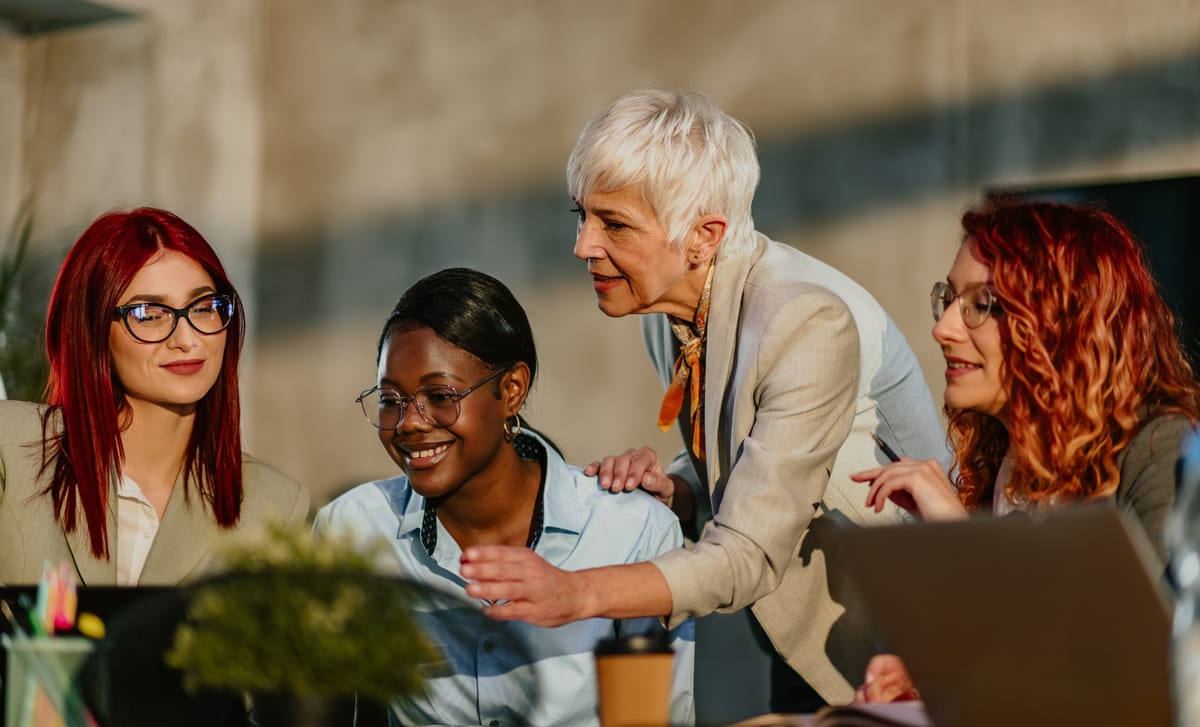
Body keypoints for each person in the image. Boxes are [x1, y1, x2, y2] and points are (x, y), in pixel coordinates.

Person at [458, 88, 948, 711]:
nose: (583, 245)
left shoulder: (803, 321)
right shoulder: (662, 303)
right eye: (580, 215)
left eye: (614, 224)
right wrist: (680, 485)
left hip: (903, 643)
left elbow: (748, 551)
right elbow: (766, 441)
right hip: (800, 628)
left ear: (703, 237)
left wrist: (573, 594)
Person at [852, 198, 1200, 703]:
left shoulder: (1159, 449)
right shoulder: (1003, 457)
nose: (944, 327)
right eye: (949, 298)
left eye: (981, 304)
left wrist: (967, 543)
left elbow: (1153, 670)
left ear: (1063, 322)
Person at [312, 267, 694, 727]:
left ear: (511, 390)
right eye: (391, 399)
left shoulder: (633, 532)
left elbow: (656, 719)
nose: (409, 422)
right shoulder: (351, 530)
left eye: (440, 395)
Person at [0, 207, 309, 586]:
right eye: (149, 314)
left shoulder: (274, 505)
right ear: (93, 330)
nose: (187, 339)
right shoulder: (11, 450)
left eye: (204, 308)